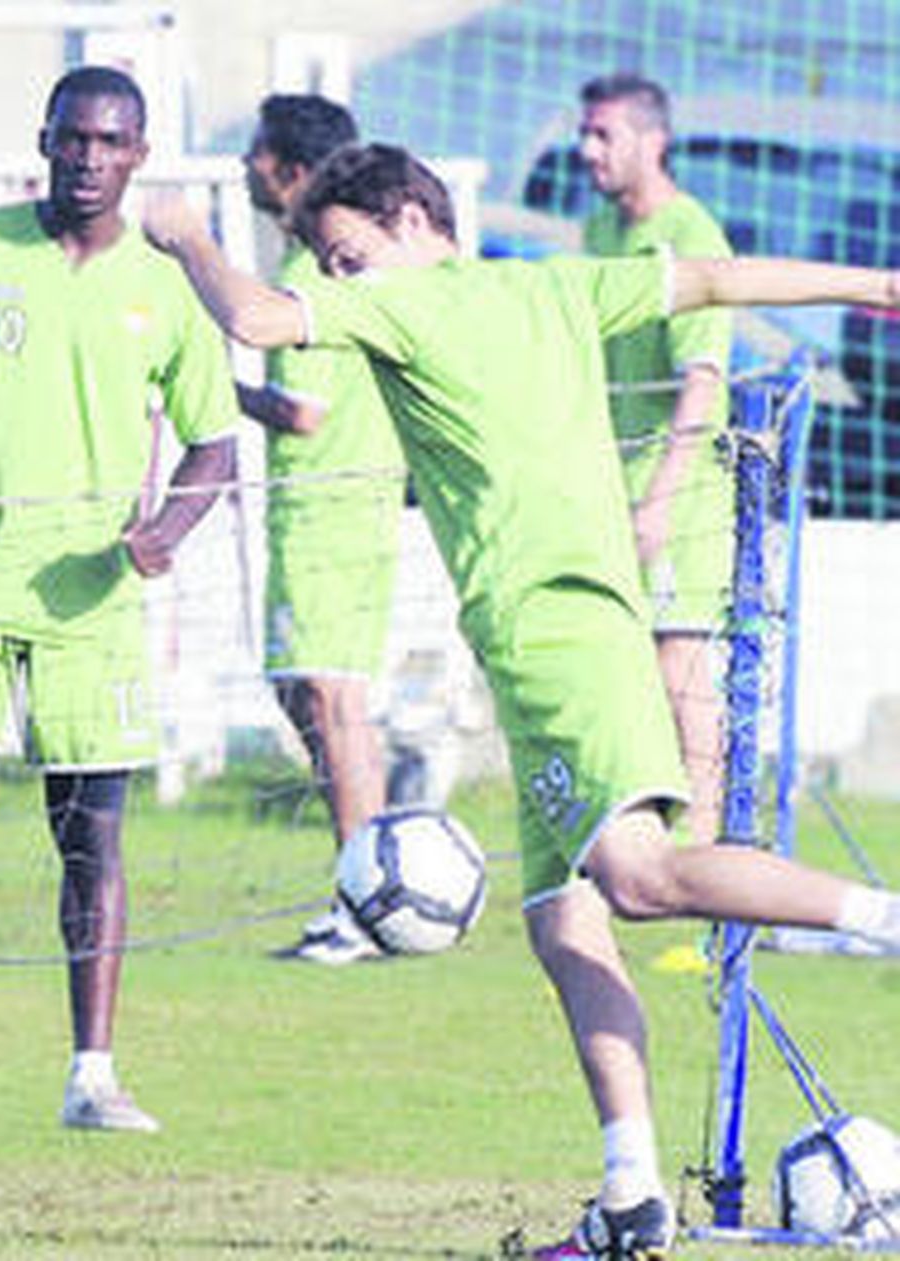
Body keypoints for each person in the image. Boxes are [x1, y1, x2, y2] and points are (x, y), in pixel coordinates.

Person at [142, 141, 900, 1258]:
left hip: (551, 632)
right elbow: (715, 279)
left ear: (411, 221)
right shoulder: (555, 286)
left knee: (638, 878)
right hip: (567, 626)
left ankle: (884, 918)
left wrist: (184, 236)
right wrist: (876, 284)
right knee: (561, 920)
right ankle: (632, 1200)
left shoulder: (407, 305)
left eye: (347, 255)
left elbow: (253, 318)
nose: (342, 281)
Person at [0, 65, 239, 1135]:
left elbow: (214, 444)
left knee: (91, 837)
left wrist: (165, 531)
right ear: (43, 141)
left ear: (138, 156)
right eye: (72, 137)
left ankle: (91, 1073)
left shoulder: (165, 287)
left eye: (109, 142)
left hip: (94, 601)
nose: (88, 157)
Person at [240, 93, 407, 965]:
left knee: (331, 699)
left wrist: (206, 385)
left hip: (328, 513)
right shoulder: (335, 265)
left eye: (257, 152)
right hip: (339, 509)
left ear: (293, 171)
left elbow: (303, 412)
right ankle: (374, 866)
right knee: (308, 696)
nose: (246, 166)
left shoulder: (309, 274)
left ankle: (364, 898)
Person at [580, 72, 734, 848]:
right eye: (585, 133)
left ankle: (703, 846)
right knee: (623, 668)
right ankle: (641, 837)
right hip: (609, 484)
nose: (587, 149)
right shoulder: (599, 232)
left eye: (603, 134)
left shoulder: (691, 236)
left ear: (654, 141)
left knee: (680, 662)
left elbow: (702, 381)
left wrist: (661, 499)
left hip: (677, 493)